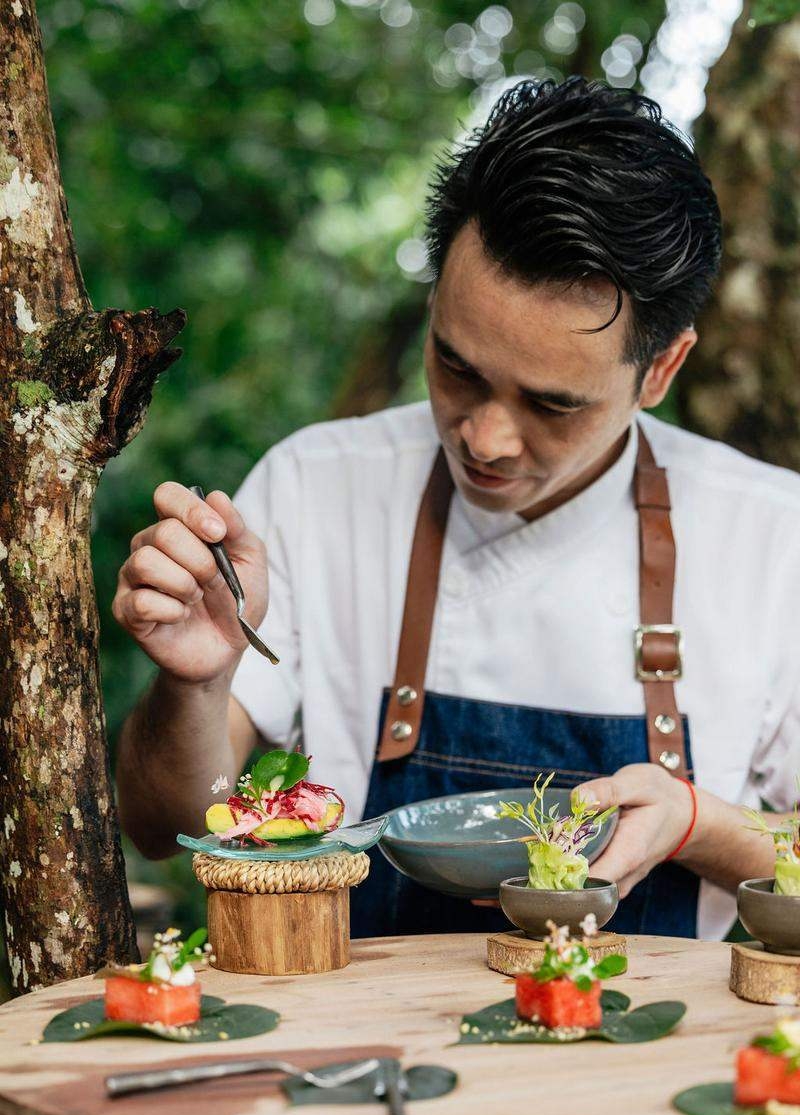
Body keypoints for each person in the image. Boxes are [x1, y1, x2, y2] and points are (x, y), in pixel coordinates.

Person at [113, 77, 800, 941]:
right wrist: (197, 683)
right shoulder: (317, 486)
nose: (484, 438)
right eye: (457, 366)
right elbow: (158, 822)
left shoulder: (772, 537)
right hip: (356, 1063)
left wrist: (703, 825)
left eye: (552, 404)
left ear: (660, 371)